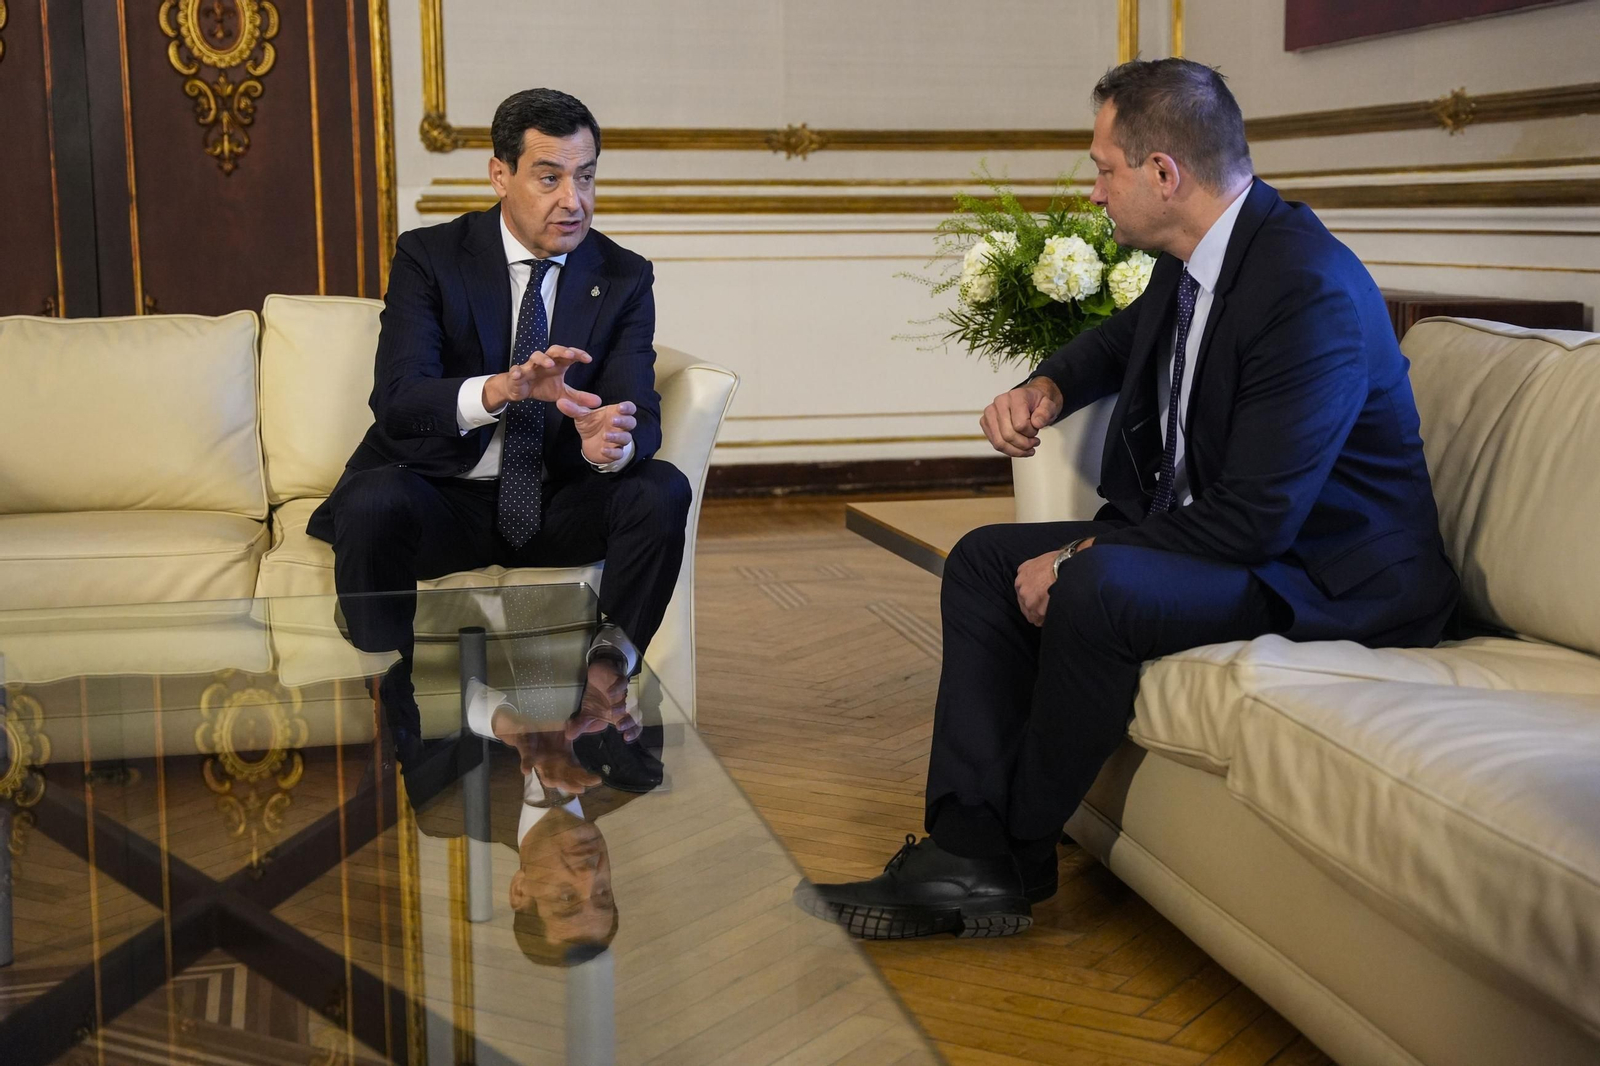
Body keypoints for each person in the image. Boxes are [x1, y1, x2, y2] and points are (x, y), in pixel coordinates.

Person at [794, 58, 1460, 940]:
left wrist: (1082, 555)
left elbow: (1260, 517)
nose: (1095, 190)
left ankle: (1008, 846)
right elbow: (1124, 338)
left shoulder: (1306, 287)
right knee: (988, 560)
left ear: (1162, 174)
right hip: (1246, 540)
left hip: (1327, 573)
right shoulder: (1199, 257)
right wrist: (1046, 388)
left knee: (1097, 587)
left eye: (1104, 167)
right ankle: (971, 848)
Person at [309, 88, 688, 788]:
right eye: (550, 177)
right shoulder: (431, 257)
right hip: (444, 499)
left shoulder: (623, 275)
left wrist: (614, 439)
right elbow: (398, 402)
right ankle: (391, 700)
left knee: (661, 488)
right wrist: (506, 388)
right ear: (499, 175)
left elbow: (639, 404)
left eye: (588, 176)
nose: (573, 199)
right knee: (372, 502)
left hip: (553, 503)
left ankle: (605, 681)